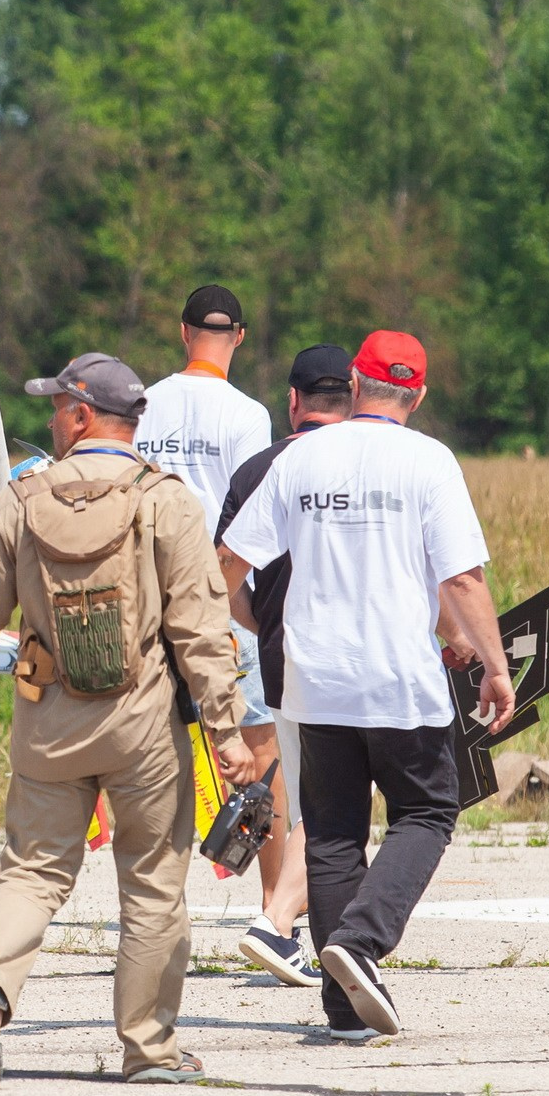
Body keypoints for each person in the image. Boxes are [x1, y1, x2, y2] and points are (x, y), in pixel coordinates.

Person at [0, 352, 258, 1088]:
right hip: (144, 727)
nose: (51, 419)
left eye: (57, 407)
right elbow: (201, 630)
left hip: (48, 720)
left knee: (33, 868)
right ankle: (149, 1050)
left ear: (82, 416)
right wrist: (226, 730)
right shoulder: (166, 500)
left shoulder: (21, 498)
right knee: (153, 885)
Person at [221, 331, 514, 1041]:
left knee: (331, 832)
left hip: (314, 680)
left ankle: (344, 1010)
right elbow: (462, 578)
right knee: (427, 811)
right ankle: (362, 939)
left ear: (355, 383)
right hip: (399, 681)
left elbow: (227, 562)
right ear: (419, 395)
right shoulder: (430, 460)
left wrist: (255, 622)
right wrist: (495, 665)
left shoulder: (301, 458)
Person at [132, 286, 294, 957]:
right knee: (260, 752)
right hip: (219, 600)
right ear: (241, 337)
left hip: (146, 597)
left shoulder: (143, 403)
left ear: (183, 331)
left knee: (150, 755)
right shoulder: (249, 414)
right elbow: (250, 510)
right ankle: (276, 910)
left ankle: (154, 913)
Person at [211, 344, 353, 986]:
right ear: (353, 398)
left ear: (292, 401)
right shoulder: (367, 462)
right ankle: (280, 922)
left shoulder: (255, 471)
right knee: (337, 798)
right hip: (353, 654)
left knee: (308, 793)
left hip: (280, 653)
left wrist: (260, 623)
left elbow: (221, 577)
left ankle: (309, 930)